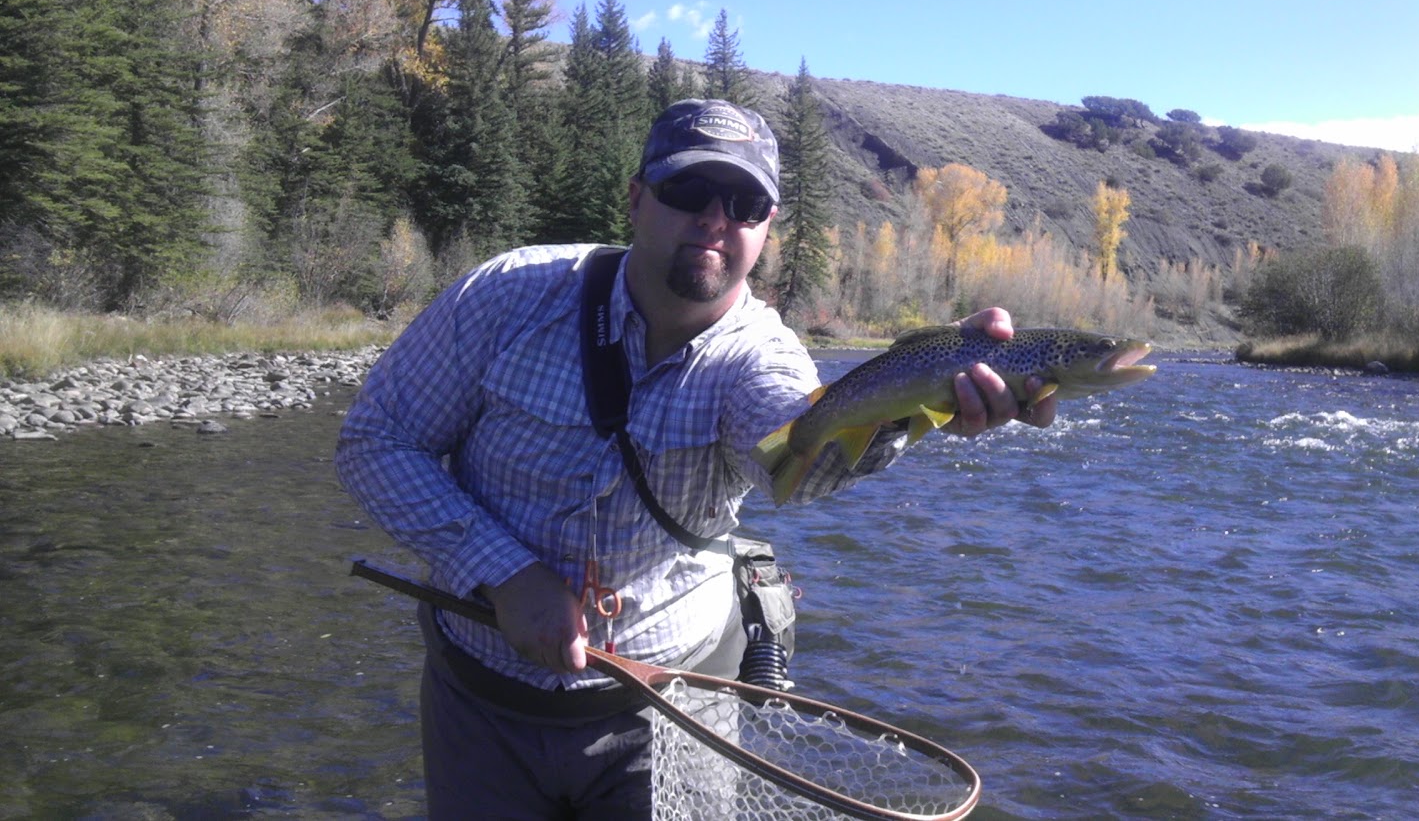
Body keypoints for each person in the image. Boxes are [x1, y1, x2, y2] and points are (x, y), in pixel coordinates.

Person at [335, 98, 1060, 819]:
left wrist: (921, 400)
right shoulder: (508, 296)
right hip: (479, 704)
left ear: (766, 227)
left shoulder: (762, 356)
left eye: (745, 202)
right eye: (689, 191)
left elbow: (792, 460)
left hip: (673, 711)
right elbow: (377, 439)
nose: (717, 218)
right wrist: (502, 573)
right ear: (636, 199)